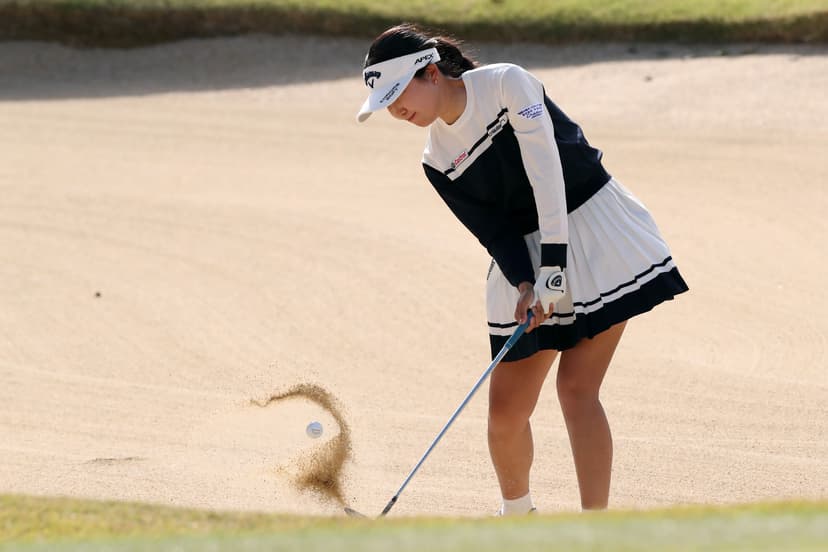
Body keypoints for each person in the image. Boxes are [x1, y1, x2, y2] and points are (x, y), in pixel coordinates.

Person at [356, 23, 688, 515]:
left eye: (398, 92)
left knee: (576, 389)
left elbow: (545, 169)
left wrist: (555, 261)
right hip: (531, 255)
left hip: (593, 230)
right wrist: (526, 281)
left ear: (429, 72)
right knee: (505, 413)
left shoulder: (507, 83)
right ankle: (519, 521)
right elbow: (495, 232)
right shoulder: (436, 159)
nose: (395, 109)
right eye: (385, 103)